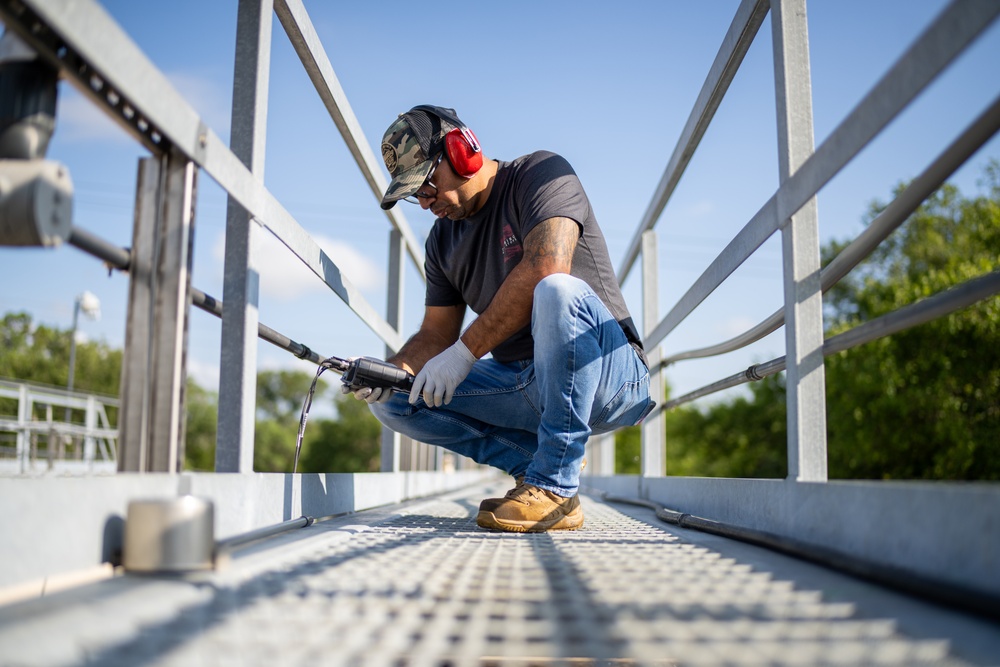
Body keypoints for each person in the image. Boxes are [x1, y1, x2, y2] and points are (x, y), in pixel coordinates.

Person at [347, 104, 654, 532]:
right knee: (398, 400)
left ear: (462, 150)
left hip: (608, 376)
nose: (424, 202)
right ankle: (536, 467)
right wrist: (390, 373)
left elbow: (547, 265)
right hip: (523, 383)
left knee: (556, 289)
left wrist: (466, 353)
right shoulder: (441, 242)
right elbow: (436, 334)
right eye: (414, 194)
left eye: (427, 185)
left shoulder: (541, 174)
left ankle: (556, 487)